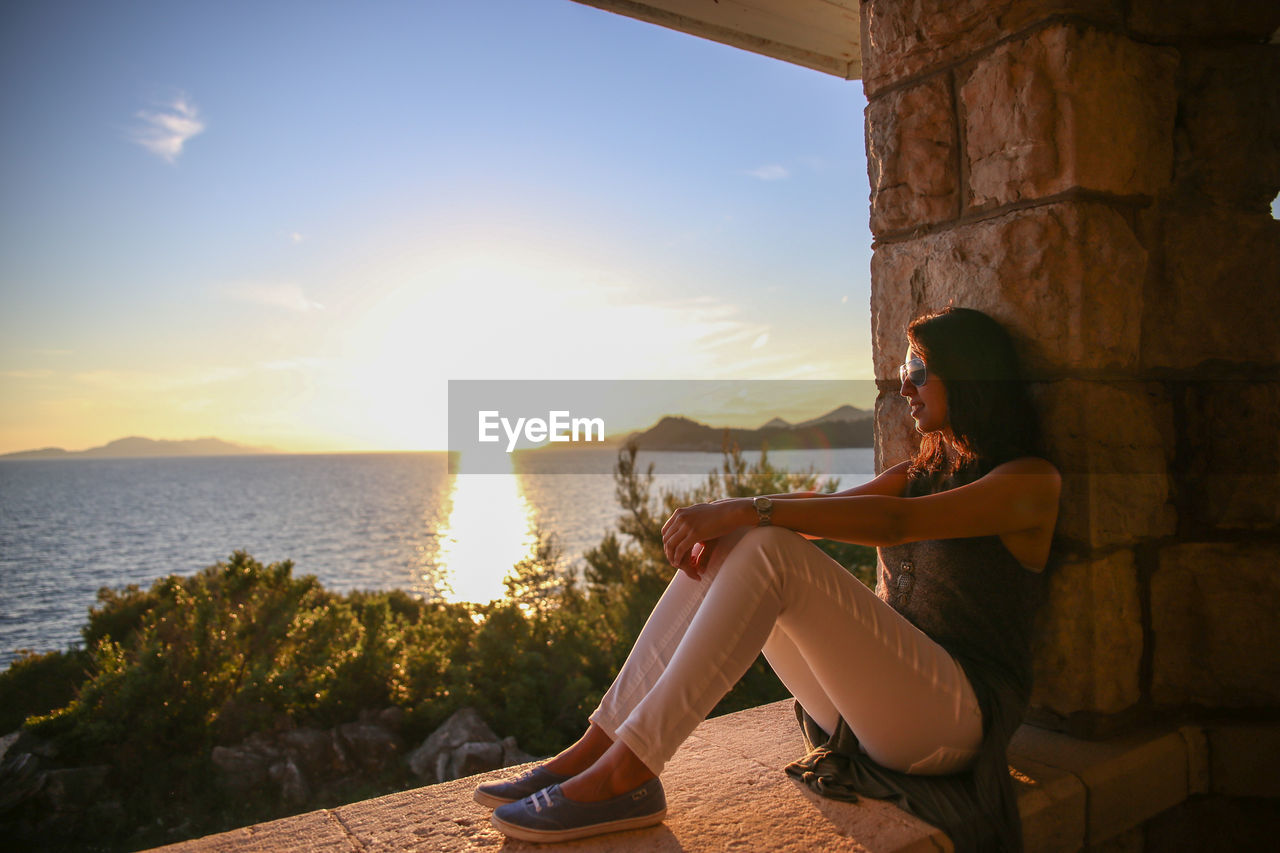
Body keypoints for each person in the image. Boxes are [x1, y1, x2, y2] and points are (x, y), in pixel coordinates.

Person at [474, 306, 1061, 849]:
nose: (905, 384)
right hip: (877, 715)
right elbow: (829, 513)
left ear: (971, 375)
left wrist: (747, 507)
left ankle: (630, 770)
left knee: (766, 544)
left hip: (957, 721)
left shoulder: (1029, 484)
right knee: (740, 546)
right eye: (905, 368)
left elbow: (895, 522)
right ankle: (599, 747)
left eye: (918, 368)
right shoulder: (924, 470)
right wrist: (731, 520)